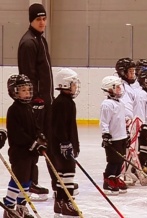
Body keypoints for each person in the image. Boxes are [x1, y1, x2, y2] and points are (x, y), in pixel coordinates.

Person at [17, 3, 55, 199]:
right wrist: (35, 100)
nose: (42, 22)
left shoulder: (40, 40)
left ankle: (35, 181)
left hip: (46, 101)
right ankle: (29, 182)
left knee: (44, 141)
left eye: (44, 18)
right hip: (37, 103)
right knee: (34, 143)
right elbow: (27, 75)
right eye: (38, 19)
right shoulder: (29, 43)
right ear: (31, 20)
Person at [2, 74, 47, 218]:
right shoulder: (13, 110)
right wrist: (32, 143)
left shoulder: (29, 108)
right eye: (23, 90)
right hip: (20, 153)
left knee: (28, 180)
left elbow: (35, 127)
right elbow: (17, 133)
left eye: (28, 90)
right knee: (19, 179)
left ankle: (21, 207)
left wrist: (40, 137)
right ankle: (9, 208)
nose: (27, 93)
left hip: (31, 153)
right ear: (13, 91)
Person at [51, 68, 81, 216]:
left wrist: (75, 144)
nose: (76, 86)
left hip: (65, 144)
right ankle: (67, 202)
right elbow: (59, 126)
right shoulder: (62, 103)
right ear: (65, 84)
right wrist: (65, 143)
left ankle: (60, 203)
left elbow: (70, 127)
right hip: (61, 146)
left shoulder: (67, 102)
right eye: (73, 83)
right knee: (68, 172)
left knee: (63, 174)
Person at [100, 75, 129, 195]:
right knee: (113, 160)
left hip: (121, 137)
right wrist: (105, 134)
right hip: (113, 138)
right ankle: (108, 180)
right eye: (117, 87)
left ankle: (116, 177)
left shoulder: (120, 103)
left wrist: (126, 134)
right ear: (109, 89)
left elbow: (121, 121)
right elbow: (104, 121)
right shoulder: (107, 104)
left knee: (121, 159)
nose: (120, 89)